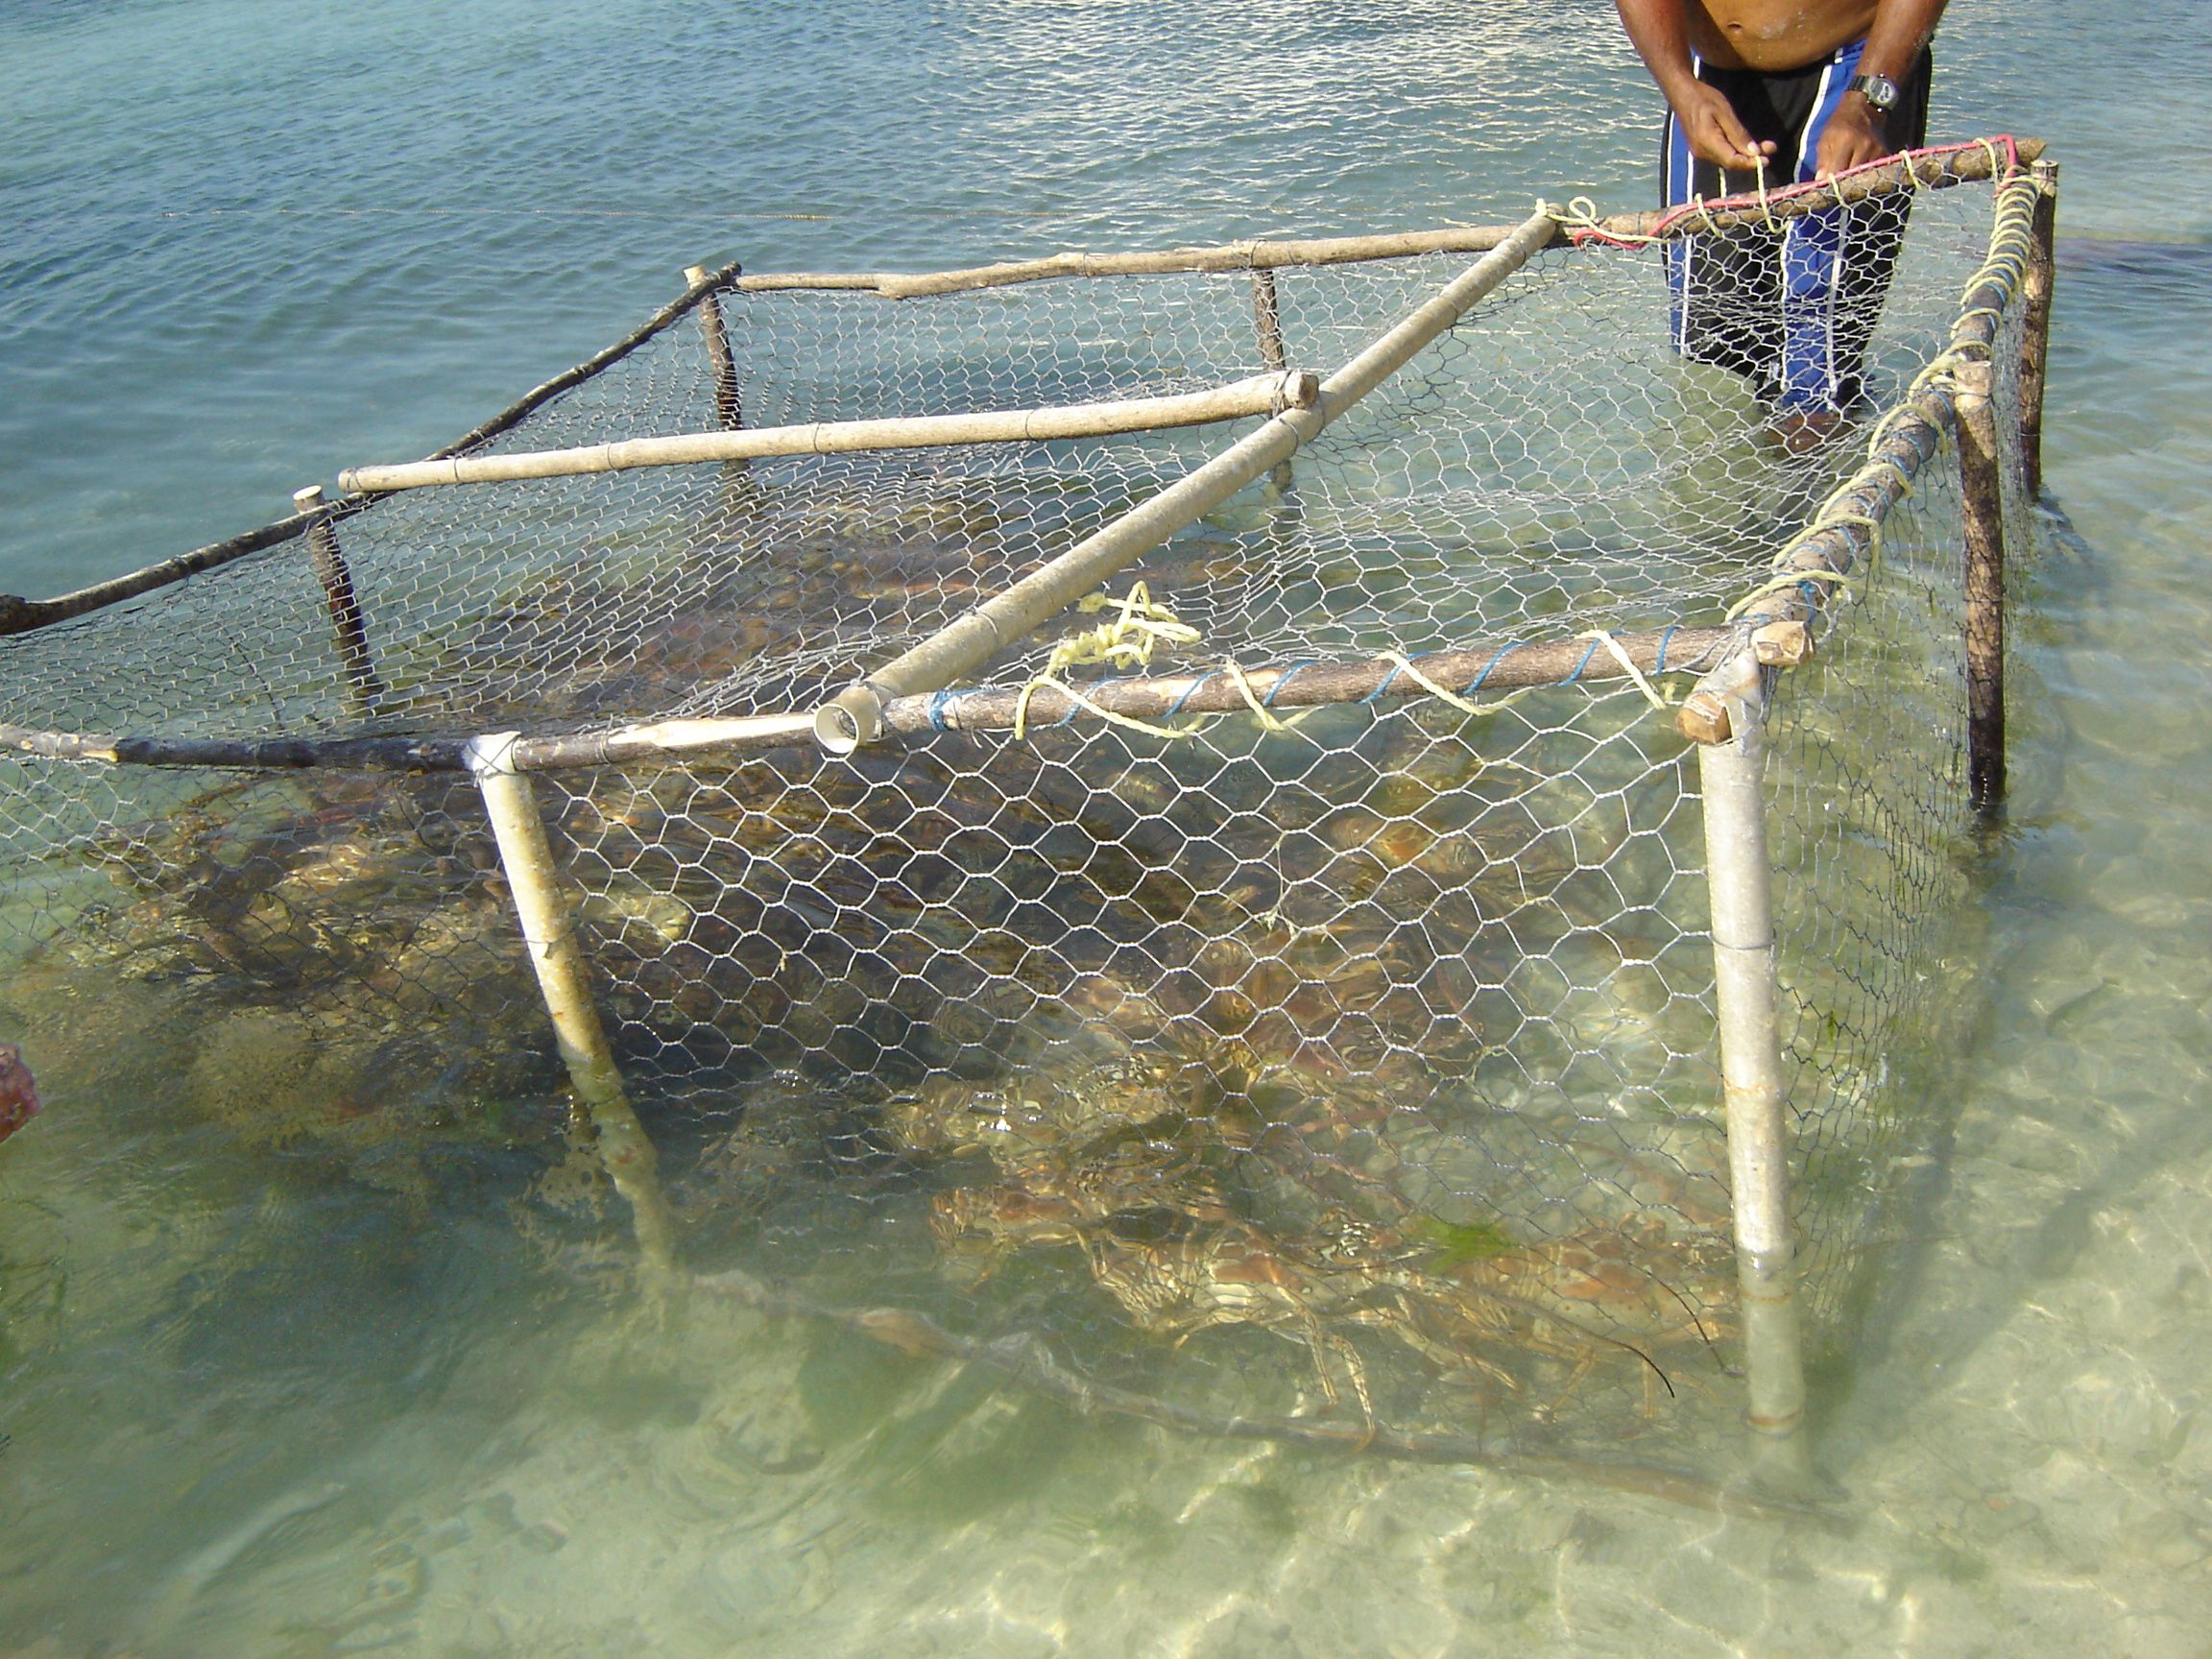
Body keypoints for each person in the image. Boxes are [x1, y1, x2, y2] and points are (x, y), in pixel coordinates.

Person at [1613, 0, 1952, 448]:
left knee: (1819, 351)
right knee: (1710, 345)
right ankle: (1725, 506)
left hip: (1856, 72)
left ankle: (1814, 501)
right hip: (1709, 81)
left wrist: (1869, 99)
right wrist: (1680, 85)